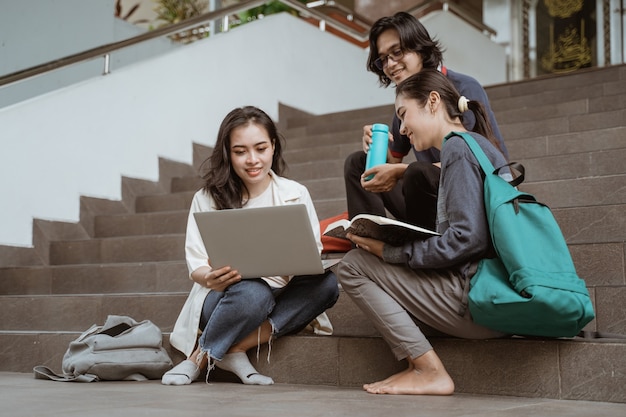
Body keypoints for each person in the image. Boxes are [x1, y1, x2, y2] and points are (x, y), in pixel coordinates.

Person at [336, 69, 508, 395]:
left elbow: (467, 238)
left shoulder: (458, 148)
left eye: (403, 115)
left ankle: (428, 370)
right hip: (490, 298)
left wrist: (390, 253)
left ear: (432, 102)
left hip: (474, 303)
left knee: (353, 266)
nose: (401, 129)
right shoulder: (477, 146)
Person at [162, 106, 339, 386]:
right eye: (240, 151)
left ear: (273, 147)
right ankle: (199, 358)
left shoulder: (295, 193)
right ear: (227, 153)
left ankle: (236, 347)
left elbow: (312, 251)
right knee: (254, 292)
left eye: (260, 148)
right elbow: (196, 262)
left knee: (327, 285)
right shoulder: (207, 197)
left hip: (281, 291)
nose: (252, 159)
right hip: (228, 297)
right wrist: (210, 278)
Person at [344, 11, 507, 231]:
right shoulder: (406, 105)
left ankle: (420, 249)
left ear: (419, 47)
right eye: (383, 59)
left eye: (397, 52)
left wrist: (402, 170)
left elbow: (483, 162)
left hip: (468, 201)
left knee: (417, 171)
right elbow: (391, 164)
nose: (390, 64)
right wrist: (376, 147)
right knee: (358, 163)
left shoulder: (463, 88)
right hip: (423, 198)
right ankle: (369, 236)